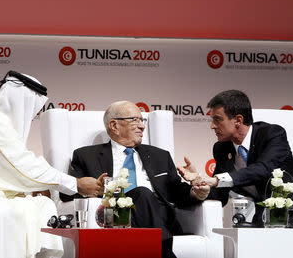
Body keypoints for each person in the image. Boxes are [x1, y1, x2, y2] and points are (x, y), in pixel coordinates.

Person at [0, 70, 105, 258]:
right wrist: (75, 184)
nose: (35, 114)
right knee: (5, 213)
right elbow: (24, 165)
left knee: (44, 205)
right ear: (21, 102)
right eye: (34, 108)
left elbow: (15, 166)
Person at [178, 89, 293, 258]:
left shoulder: (272, 134)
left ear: (238, 120)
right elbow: (221, 194)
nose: (212, 126)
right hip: (266, 213)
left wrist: (216, 180)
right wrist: (202, 187)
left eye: (218, 119)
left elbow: (263, 168)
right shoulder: (222, 148)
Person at [60, 100, 210, 258]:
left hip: (159, 215)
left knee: (145, 195)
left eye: (142, 120)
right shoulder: (86, 156)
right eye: (135, 120)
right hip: (113, 217)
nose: (142, 126)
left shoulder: (160, 156)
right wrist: (90, 189)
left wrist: (196, 192)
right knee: (143, 193)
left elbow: (176, 191)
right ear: (114, 125)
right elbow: (66, 193)